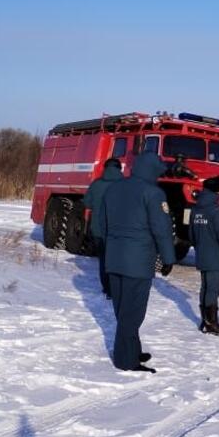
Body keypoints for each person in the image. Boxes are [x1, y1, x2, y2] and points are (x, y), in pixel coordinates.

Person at [100, 151, 177, 373]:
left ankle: (132, 349)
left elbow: (103, 225)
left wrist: (110, 250)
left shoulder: (113, 188)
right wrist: (168, 258)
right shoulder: (153, 193)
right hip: (138, 261)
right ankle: (126, 360)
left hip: (114, 258)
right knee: (132, 313)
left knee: (123, 308)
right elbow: (161, 230)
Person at [189, 175, 219, 336]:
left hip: (202, 254)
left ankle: (205, 321)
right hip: (216, 256)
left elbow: (192, 234)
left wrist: (200, 247)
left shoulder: (196, 209)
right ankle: (211, 323)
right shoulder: (218, 211)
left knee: (205, 287)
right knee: (213, 289)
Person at [83, 157, 123, 298]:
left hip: (98, 230)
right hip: (118, 231)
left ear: (105, 168)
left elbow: (87, 203)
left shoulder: (96, 184)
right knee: (117, 260)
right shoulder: (125, 185)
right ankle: (115, 289)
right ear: (120, 169)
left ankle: (106, 288)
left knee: (103, 260)